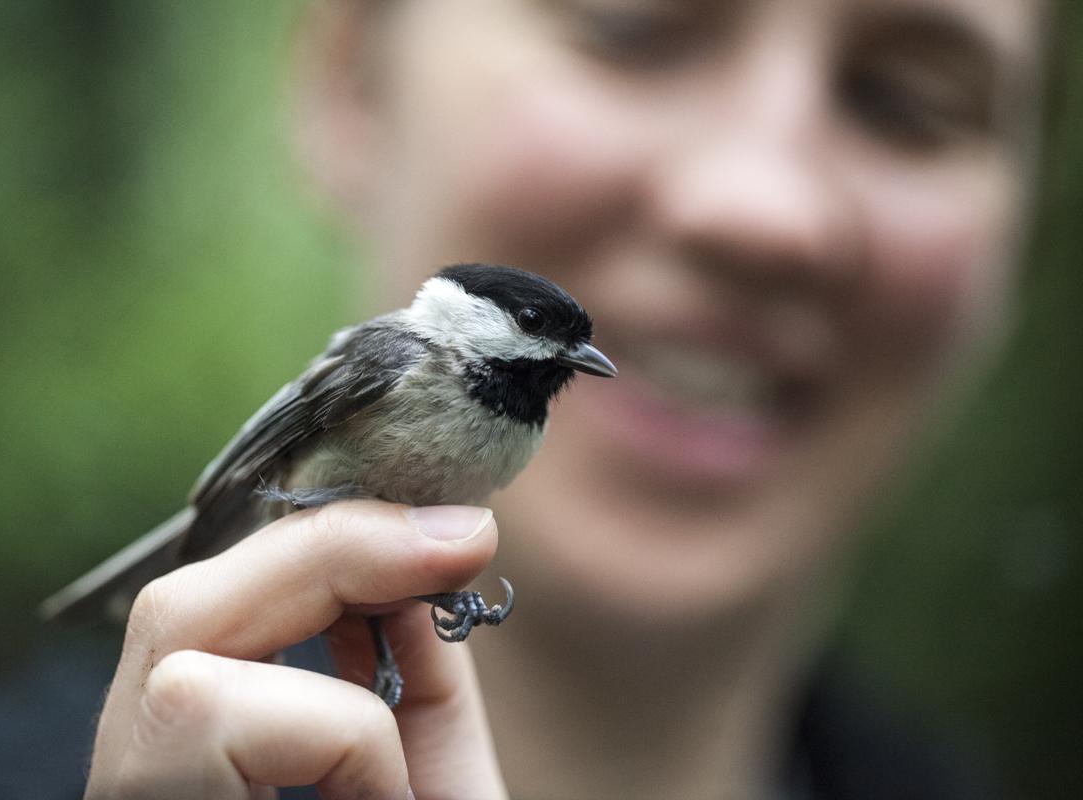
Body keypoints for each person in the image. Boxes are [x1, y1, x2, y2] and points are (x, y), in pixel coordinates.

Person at [79, 0, 1050, 797]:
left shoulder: (519, 427)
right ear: (355, 80)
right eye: (628, 25)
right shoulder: (404, 352)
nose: (763, 216)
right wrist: (249, 512)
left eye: (907, 100)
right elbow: (276, 436)